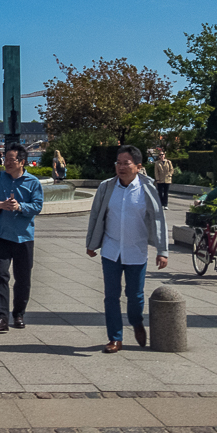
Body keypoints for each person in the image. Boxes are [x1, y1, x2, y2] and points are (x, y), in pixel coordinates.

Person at [85, 145, 168, 353]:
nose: (121, 167)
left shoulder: (147, 188)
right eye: (118, 163)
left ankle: (136, 322)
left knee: (135, 295)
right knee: (111, 296)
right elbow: (96, 215)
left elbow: (158, 219)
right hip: (111, 250)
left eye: (126, 163)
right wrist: (91, 244)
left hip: (136, 250)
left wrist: (162, 250)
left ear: (138, 166)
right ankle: (115, 338)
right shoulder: (106, 187)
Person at [0, 144, 44, 333]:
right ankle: (1, 318)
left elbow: (37, 207)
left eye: (11, 160)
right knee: (1, 275)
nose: (7, 163)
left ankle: (18, 314)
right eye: (5, 159)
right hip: (1, 236)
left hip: (24, 237)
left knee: (23, 279)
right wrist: (0, 204)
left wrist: (20, 207)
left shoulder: (33, 182)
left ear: (22, 162)